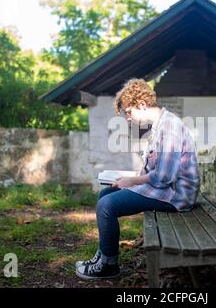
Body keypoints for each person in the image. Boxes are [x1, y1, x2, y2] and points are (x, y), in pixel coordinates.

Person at [75, 78, 200, 280]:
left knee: (106, 205)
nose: (128, 118)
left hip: (176, 196)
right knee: (106, 192)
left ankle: (108, 265)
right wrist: (127, 178)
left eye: (128, 112)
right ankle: (102, 256)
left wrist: (131, 182)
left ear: (141, 105)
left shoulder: (169, 127)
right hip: (165, 189)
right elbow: (155, 170)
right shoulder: (160, 126)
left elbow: (164, 176)